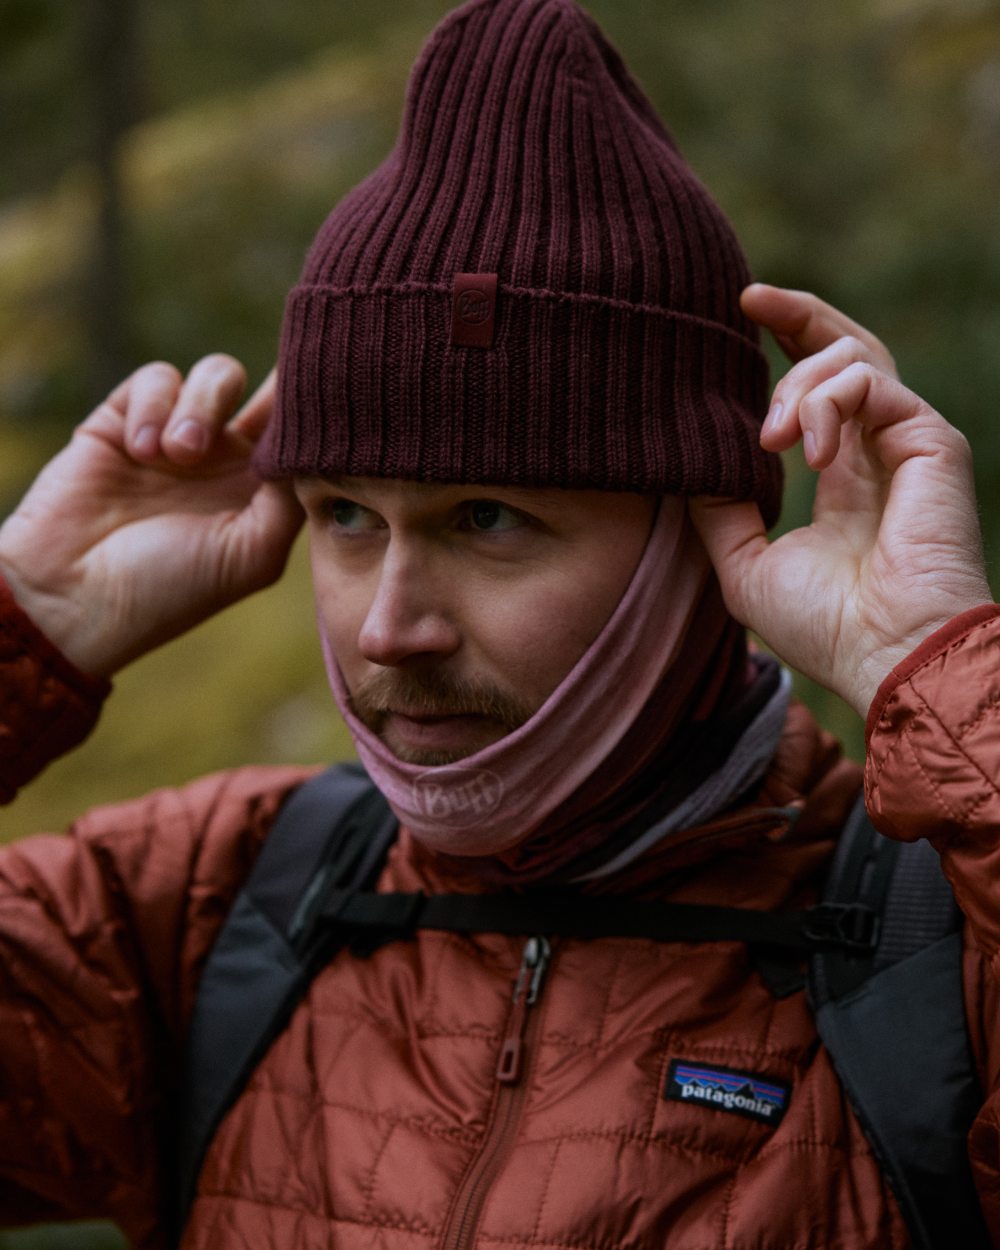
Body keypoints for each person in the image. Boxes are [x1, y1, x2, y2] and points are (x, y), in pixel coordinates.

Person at [0, 0, 997, 1246]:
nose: (389, 627)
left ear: (698, 530)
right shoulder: (213, 906)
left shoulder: (941, 949)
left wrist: (928, 661)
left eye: (486, 518)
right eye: (347, 515)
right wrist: (32, 617)